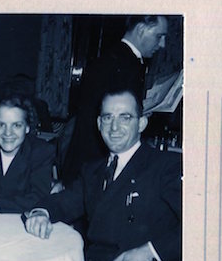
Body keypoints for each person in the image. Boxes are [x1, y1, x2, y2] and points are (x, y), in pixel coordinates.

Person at [25, 88, 181, 261]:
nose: (114, 127)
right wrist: (41, 212)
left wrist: (151, 251)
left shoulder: (165, 165)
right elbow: (67, 201)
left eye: (125, 117)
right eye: (108, 118)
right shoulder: (93, 170)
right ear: (99, 124)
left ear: (142, 123)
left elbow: (200, 223)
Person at [60, 15, 169, 186]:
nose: (162, 44)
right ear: (141, 30)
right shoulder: (127, 65)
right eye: (159, 36)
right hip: (98, 164)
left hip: (87, 161)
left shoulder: (113, 58)